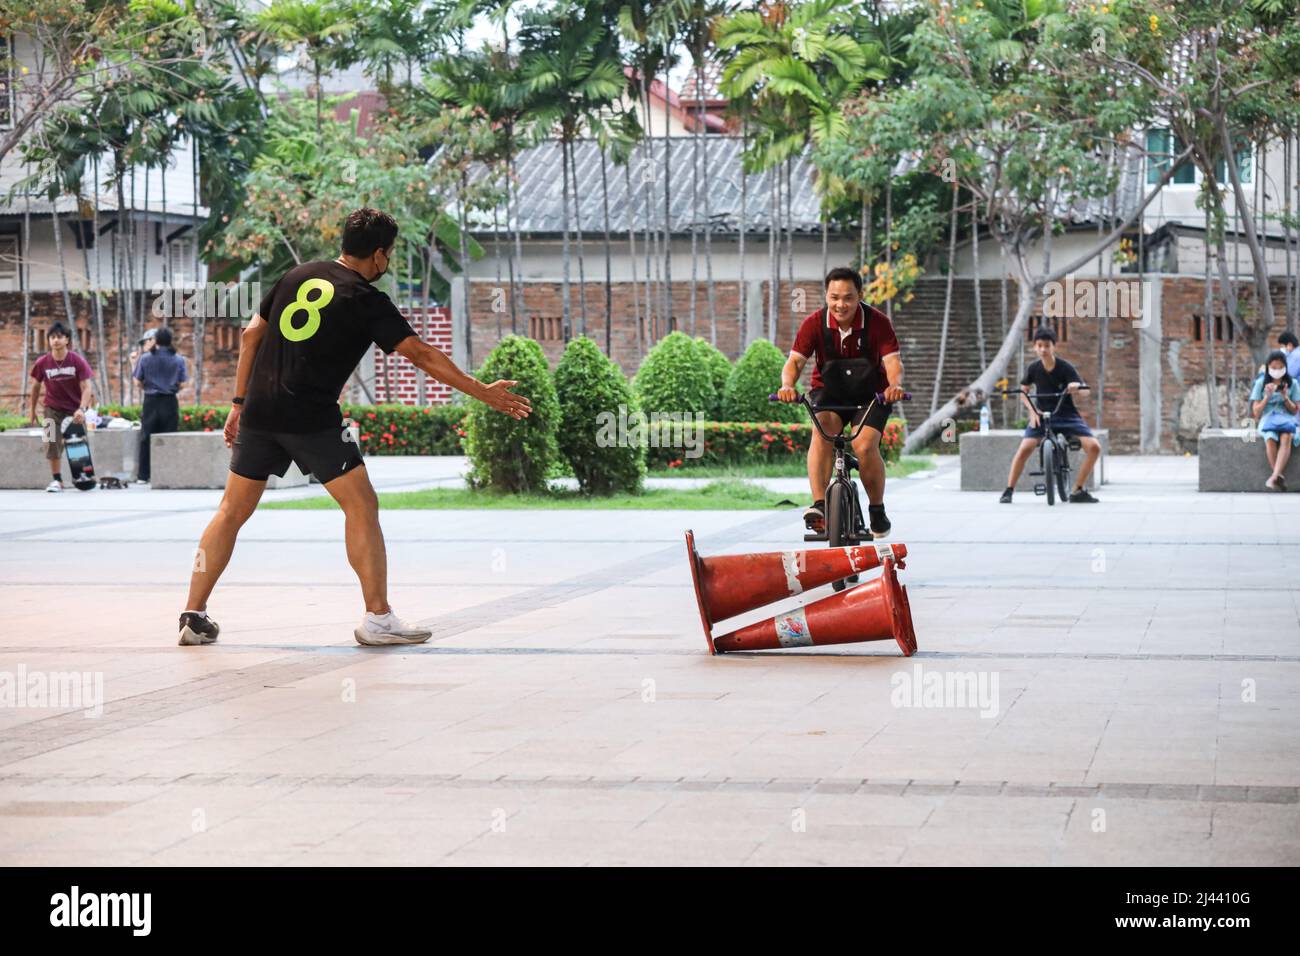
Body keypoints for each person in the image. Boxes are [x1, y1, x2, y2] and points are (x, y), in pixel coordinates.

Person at [178, 208, 532, 648]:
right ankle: (378, 619)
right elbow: (420, 355)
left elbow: (251, 336)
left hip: (259, 412)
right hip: (311, 418)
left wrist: (238, 403)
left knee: (231, 512)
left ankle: (193, 615)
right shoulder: (365, 299)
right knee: (362, 505)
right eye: (390, 255)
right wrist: (482, 392)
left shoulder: (296, 275)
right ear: (379, 255)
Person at [777, 267, 907, 538]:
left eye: (848, 297)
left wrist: (894, 385)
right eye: (834, 297)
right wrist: (788, 385)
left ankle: (876, 509)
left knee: (864, 444)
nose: (840, 304)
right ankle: (819, 506)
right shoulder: (814, 323)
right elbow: (795, 362)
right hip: (830, 394)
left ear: (860, 295)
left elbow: (893, 363)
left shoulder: (878, 322)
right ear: (826, 295)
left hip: (872, 396)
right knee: (822, 432)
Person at [1000, 327, 1101, 504]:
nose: (1043, 349)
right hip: (1042, 415)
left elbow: (1085, 392)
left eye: (1047, 345)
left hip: (1067, 415)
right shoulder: (1033, 368)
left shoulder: (1066, 367)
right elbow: (1024, 391)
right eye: (1039, 346)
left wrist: (1076, 388)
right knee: (1024, 448)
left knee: (1094, 447)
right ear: (1035, 347)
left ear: (1054, 347)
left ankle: (1077, 490)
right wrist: (1032, 411)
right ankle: (1008, 490)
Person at [27, 322, 94, 493]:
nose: (56, 340)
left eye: (59, 337)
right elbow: (35, 387)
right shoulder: (43, 362)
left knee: (77, 444)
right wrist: (33, 409)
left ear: (67, 340)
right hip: (51, 409)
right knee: (50, 443)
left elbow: (87, 387)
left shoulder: (76, 360)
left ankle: (82, 475)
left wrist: (82, 409)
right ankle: (57, 480)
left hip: (74, 411)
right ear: (49, 340)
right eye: (52, 337)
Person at [133, 326, 187, 484]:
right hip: (170, 401)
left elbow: (137, 381)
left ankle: (143, 476)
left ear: (156, 341)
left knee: (146, 438)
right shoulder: (178, 359)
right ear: (170, 341)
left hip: (151, 401)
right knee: (169, 437)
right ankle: (167, 473)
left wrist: (147, 387)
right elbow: (182, 384)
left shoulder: (145, 358)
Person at [1250, 350, 1299, 492]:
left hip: (1286, 418)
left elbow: (1295, 410)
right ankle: (1277, 476)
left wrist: (1285, 396)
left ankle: (1274, 477)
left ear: (1285, 367)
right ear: (1268, 367)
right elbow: (1256, 412)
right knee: (1270, 436)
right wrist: (1267, 396)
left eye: (1280, 367)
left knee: (1287, 435)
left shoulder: (1293, 383)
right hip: (1268, 419)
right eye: (1274, 368)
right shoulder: (1260, 383)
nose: (1277, 371)